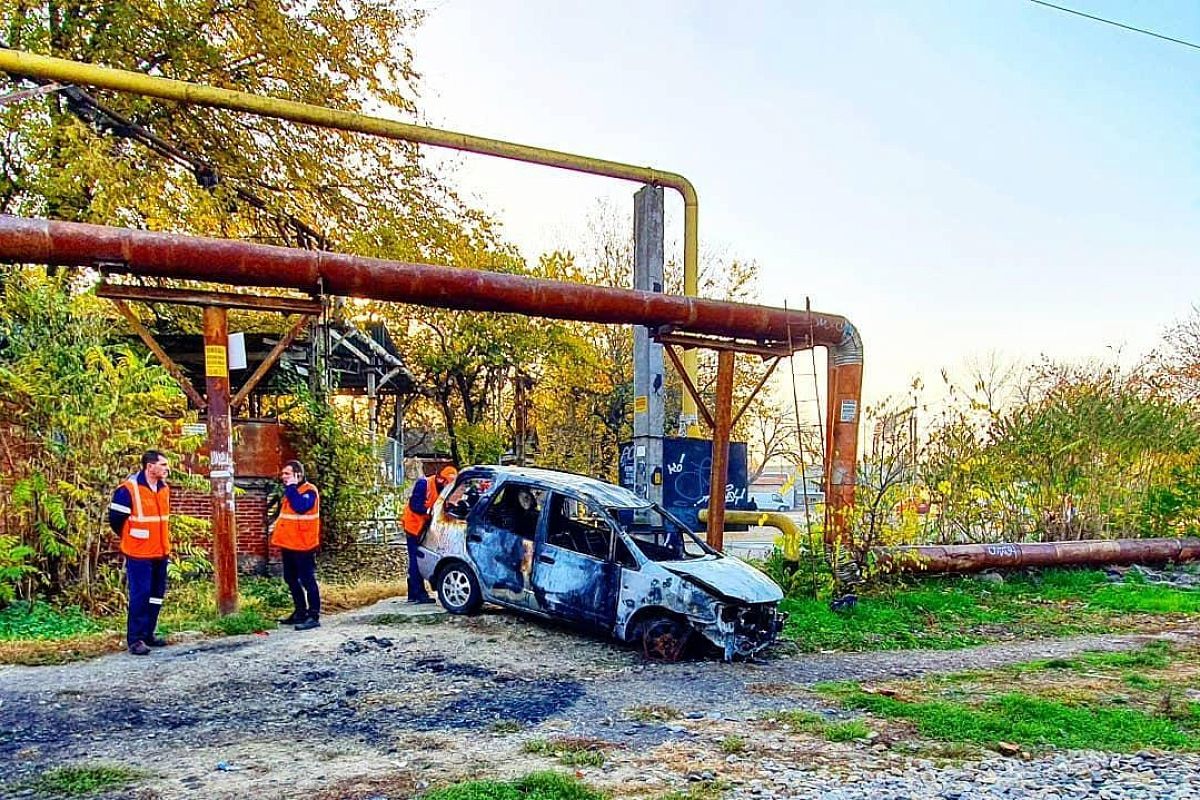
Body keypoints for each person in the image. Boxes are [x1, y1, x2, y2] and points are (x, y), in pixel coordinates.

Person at [109, 450, 172, 656]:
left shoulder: (164, 489)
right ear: (149, 466)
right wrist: (131, 537)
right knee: (140, 595)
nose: (166, 468)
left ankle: (148, 634)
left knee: (156, 595)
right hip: (138, 552)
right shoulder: (128, 489)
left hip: (160, 551)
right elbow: (116, 520)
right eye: (162, 465)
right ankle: (135, 639)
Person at [271, 460, 322, 630]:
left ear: (298, 475)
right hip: (289, 544)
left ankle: (313, 615)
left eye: (287, 474)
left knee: (307, 580)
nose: (283, 477)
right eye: (283, 474)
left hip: (304, 545)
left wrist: (291, 488)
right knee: (290, 578)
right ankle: (300, 612)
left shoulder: (309, 490)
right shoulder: (291, 492)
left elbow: (301, 507)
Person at [402, 465, 457, 604]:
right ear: (440, 478)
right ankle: (418, 594)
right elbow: (415, 505)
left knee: (419, 559)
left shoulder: (446, 490)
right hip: (414, 527)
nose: (447, 486)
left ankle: (413, 594)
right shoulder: (423, 484)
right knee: (416, 560)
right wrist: (430, 512)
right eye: (446, 482)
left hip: (426, 529)